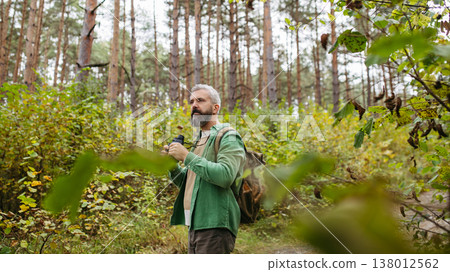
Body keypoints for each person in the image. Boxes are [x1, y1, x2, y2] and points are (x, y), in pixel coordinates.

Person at [162, 84, 246, 254]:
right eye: (191, 101)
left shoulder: (228, 135)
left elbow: (226, 175)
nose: (194, 105)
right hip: (194, 223)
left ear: (216, 108)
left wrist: (186, 156)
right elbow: (189, 183)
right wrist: (172, 165)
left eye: (200, 100)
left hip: (215, 223)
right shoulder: (200, 140)